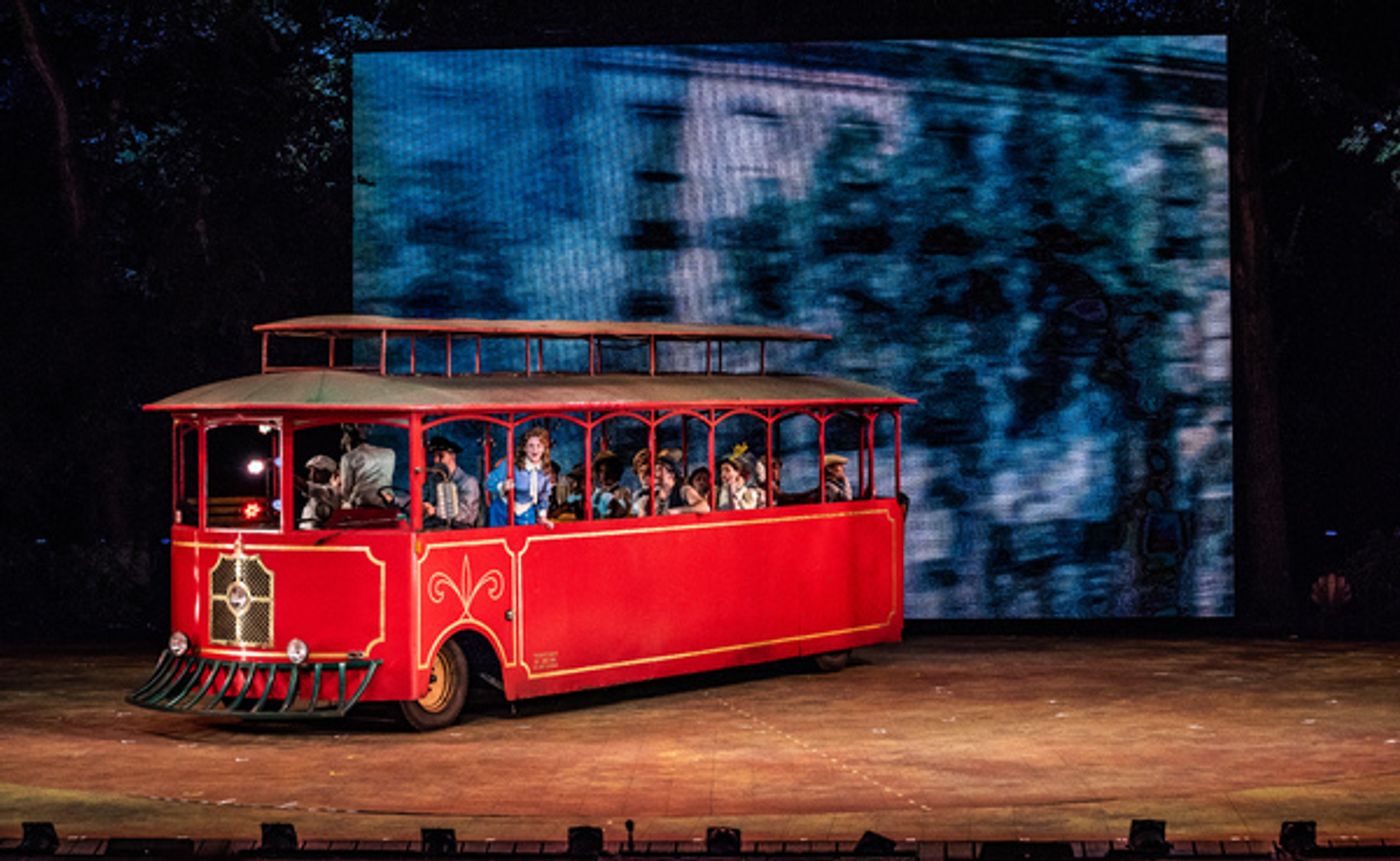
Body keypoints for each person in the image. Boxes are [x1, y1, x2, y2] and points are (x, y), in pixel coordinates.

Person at [486, 427, 553, 527]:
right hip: (502, 512)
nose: (535, 450)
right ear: (525, 448)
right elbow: (489, 482)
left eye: (539, 446)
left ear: (544, 449)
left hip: (526, 513)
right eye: (531, 446)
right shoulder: (511, 464)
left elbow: (544, 495)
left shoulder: (544, 471)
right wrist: (503, 486)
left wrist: (542, 517)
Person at [423, 436, 481, 529]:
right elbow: (421, 497)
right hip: (436, 528)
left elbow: (465, 515)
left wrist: (435, 511)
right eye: (434, 456)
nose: (436, 460)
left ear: (452, 456)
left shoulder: (468, 482)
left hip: (460, 532)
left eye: (441, 456)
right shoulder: (432, 480)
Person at [339, 424, 396, 508]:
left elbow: (346, 490)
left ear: (349, 444)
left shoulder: (348, 457)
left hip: (362, 503)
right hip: (387, 500)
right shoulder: (390, 453)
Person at [649, 451, 709, 516]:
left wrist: (678, 511)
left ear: (671, 474)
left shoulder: (683, 490)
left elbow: (704, 508)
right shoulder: (655, 496)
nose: (655, 474)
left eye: (659, 470)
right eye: (654, 471)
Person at [299, 454, 341, 529]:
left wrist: (286, 473)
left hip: (317, 537)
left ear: (329, 473)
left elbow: (305, 486)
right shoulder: (316, 491)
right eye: (311, 471)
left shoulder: (330, 491)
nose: (312, 475)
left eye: (317, 472)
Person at [591, 450, 632, 519]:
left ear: (616, 472)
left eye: (608, 471)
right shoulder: (596, 494)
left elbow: (624, 513)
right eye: (601, 471)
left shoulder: (623, 492)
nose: (604, 476)